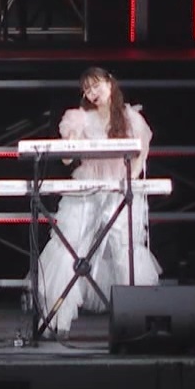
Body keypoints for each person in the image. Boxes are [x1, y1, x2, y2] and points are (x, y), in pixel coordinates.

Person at [35, 67, 161, 337]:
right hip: (87, 187)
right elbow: (67, 159)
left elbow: (141, 156)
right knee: (69, 246)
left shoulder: (130, 118)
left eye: (96, 86)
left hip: (119, 189)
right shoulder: (79, 117)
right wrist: (71, 139)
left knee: (126, 250)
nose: (93, 93)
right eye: (87, 90)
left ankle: (136, 321)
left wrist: (126, 183)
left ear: (110, 83)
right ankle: (57, 321)